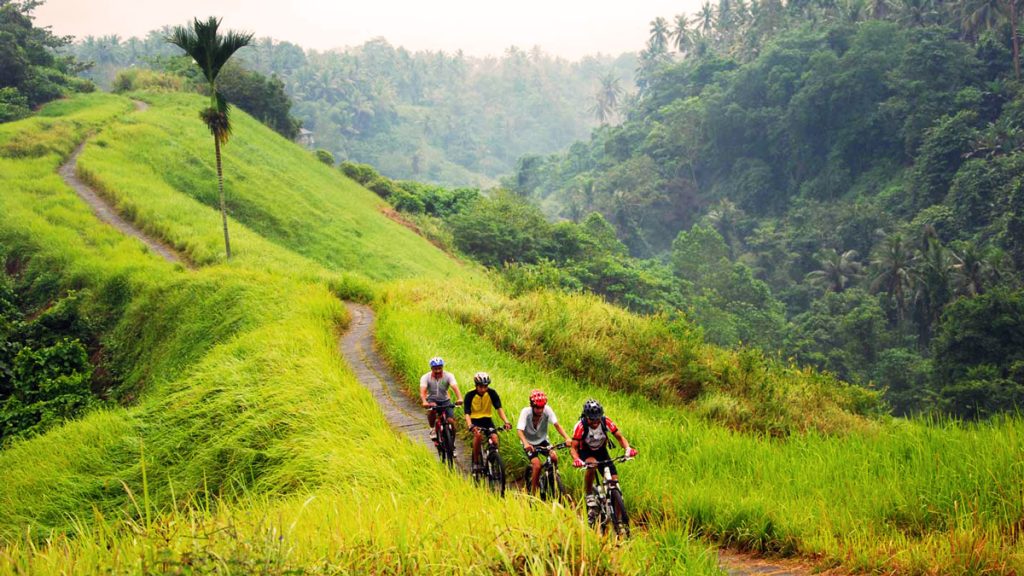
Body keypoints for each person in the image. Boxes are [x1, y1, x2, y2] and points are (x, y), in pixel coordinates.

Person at [570, 399, 638, 520]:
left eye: (597, 419)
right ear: (586, 417)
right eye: (592, 419)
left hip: (601, 450)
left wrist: (628, 449)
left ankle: (618, 520)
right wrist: (577, 459)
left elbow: (620, 437)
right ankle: (589, 494)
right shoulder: (580, 426)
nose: (595, 422)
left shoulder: (606, 421)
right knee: (592, 465)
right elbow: (573, 448)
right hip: (586, 451)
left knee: (614, 482)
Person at [516, 389, 571, 494]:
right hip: (528, 443)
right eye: (537, 408)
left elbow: (557, 425)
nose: (540, 410)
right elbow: (519, 430)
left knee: (554, 457)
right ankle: (533, 492)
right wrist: (526, 443)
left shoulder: (547, 410)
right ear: (532, 406)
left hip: (542, 440)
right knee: (537, 465)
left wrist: (567, 438)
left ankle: (552, 477)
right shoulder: (525, 412)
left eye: (542, 407)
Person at [462, 371, 512, 472]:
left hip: (487, 420)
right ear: (476, 385)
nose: (483, 389)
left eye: (485, 386)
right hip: (475, 420)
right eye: (480, 387)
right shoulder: (470, 395)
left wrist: (506, 421)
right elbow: (467, 413)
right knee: (478, 436)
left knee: (495, 439)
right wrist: (470, 425)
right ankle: (476, 462)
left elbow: (499, 409)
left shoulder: (492, 393)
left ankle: (493, 461)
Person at [420, 357, 463, 447]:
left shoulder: (449, 376)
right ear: (431, 368)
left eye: (439, 368)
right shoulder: (425, 377)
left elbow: (455, 387)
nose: (438, 371)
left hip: (445, 400)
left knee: (451, 421)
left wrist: (459, 398)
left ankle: (452, 443)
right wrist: (424, 401)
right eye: (435, 369)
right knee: (432, 409)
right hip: (432, 399)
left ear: (442, 367)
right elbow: (423, 391)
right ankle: (432, 428)